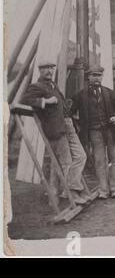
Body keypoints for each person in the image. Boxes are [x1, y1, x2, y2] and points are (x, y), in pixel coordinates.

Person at [21, 61, 88, 204]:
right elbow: (25, 99)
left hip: (68, 125)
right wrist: (45, 101)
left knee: (81, 156)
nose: (49, 71)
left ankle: (69, 190)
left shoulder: (53, 85)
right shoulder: (37, 86)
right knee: (66, 162)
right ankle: (72, 194)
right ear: (40, 70)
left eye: (51, 68)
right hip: (55, 128)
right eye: (45, 68)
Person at [71, 65, 115, 199]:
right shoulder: (80, 95)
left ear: (102, 77)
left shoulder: (109, 93)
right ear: (88, 77)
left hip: (110, 131)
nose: (96, 78)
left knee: (114, 159)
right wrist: (79, 125)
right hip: (94, 132)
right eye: (94, 75)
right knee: (99, 160)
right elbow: (70, 112)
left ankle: (114, 188)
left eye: (99, 75)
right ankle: (103, 190)